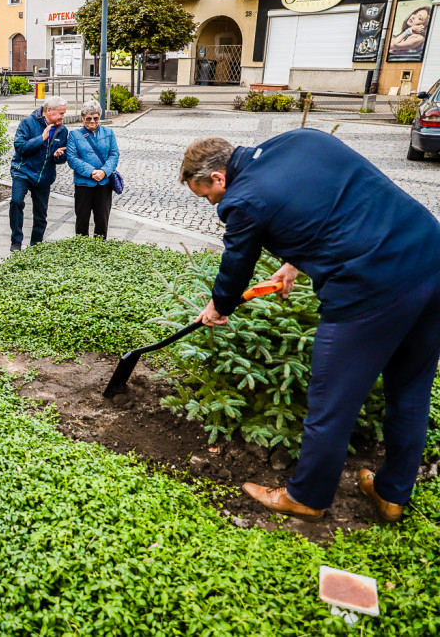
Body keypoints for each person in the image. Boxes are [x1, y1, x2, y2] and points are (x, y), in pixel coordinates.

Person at [181, 129, 440, 524]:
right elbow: (330, 202)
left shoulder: (242, 200)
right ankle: (392, 495)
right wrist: (293, 262)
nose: (213, 202)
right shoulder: (303, 140)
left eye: (208, 195)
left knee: (331, 403)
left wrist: (219, 306)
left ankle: (307, 497)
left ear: (218, 177)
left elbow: (237, 263)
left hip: (369, 288)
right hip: (430, 257)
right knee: (410, 391)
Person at [9, 96, 68, 252]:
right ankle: (16, 241)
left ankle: (36, 245)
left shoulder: (62, 130)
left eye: (64, 113)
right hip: (23, 171)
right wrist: (41, 138)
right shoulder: (27, 123)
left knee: (40, 215)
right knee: (16, 202)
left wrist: (58, 156)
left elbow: (62, 157)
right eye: (60, 113)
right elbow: (20, 147)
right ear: (49, 111)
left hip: (44, 176)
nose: (63, 117)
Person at [65, 101, 120, 239]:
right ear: (83, 117)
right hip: (84, 184)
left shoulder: (109, 132)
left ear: (99, 117)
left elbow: (114, 154)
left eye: (95, 118)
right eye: (88, 118)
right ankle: (82, 251)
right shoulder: (74, 135)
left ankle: (100, 250)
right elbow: (72, 158)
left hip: (104, 184)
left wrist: (104, 171)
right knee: (82, 220)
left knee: (102, 220)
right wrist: (91, 171)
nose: (92, 121)